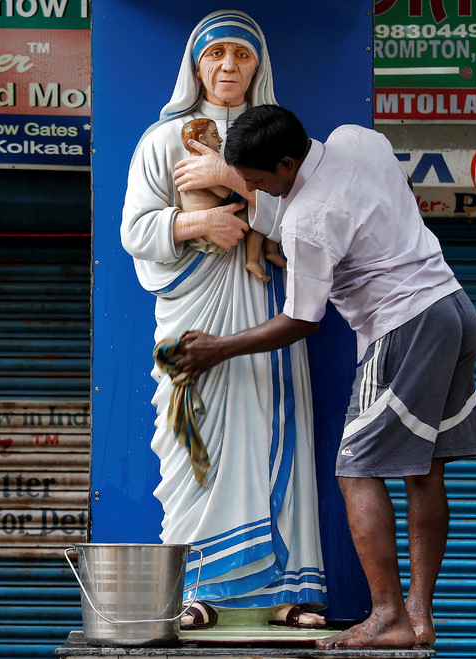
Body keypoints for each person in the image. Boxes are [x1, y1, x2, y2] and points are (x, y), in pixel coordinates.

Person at [175, 105, 476, 649]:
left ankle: (388, 614)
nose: (250, 190)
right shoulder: (357, 139)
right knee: (426, 469)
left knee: (355, 469)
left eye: (254, 182)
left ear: (287, 162)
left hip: (403, 325)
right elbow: (360, 212)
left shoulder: (308, 222)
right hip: (454, 309)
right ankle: (417, 618)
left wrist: (218, 349)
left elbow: (301, 319)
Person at [120, 11, 327, 631]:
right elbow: (134, 231)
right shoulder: (162, 141)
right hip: (192, 310)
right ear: (195, 66)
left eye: (241, 55)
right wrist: (197, 222)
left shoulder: (280, 137)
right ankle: (197, 587)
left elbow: (310, 220)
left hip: (265, 314)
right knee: (195, 440)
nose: (228, 67)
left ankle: (284, 595)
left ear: (258, 64)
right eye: (216, 56)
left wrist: (226, 177)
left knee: (273, 435)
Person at [179, 117, 286, 282]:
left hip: (215, 218)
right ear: (202, 140)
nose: (220, 139)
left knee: (263, 206)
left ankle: (270, 251)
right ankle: (254, 259)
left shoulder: (189, 162)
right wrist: (228, 177)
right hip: (209, 231)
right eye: (215, 135)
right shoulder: (199, 166)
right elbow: (223, 193)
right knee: (258, 211)